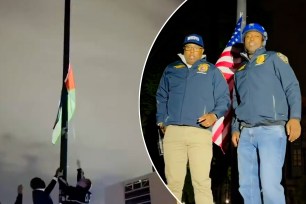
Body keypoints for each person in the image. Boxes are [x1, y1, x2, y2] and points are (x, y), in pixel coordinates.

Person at [231, 23, 302, 204]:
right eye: (247, 36)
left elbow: (292, 87)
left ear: (263, 40)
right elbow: (236, 102)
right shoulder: (240, 71)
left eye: (255, 36)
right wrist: (234, 128)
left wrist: (295, 117)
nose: (251, 39)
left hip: (271, 129)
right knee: (247, 186)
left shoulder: (274, 58)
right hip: (246, 133)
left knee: (270, 185)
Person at [156, 34, 231, 204]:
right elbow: (161, 96)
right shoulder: (171, 69)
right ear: (183, 50)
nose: (192, 51)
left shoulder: (211, 70)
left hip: (200, 132)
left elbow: (224, 99)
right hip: (173, 132)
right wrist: (161, 120)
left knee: (201, 182)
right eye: (188, 48)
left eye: (196, 48)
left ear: (202, 51)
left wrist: (214, 115)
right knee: (173, 183)